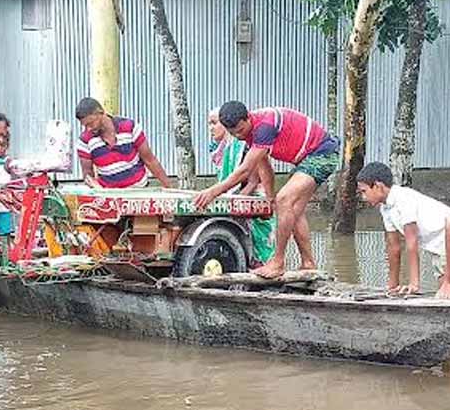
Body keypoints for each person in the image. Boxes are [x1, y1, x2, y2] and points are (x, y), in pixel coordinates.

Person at [194, 102, 340, 278]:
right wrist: (269, 199)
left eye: (240, 130)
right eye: (233, 133)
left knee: (284, 200)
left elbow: (246, 169)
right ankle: (308, 264)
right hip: (307, 159)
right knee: (294, 210)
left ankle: (277, 263)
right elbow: (265, 168)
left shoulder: (264, 126)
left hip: (322, 154)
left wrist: (213, 192)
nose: (239, 135)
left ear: (248, 117)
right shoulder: (250, 134)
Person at [356, 161, 450, 299]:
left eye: (364, 191)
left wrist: (414, 284)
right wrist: (392, 286)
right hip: (442, 253)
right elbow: (394, 247)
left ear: (378, 186)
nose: (363, 197)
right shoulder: (386, 208)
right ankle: (449, 287)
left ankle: (448, 283)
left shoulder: (403, 198)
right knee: (447, 300)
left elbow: (412, 241)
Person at [207, 107, 275, 264]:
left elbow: (252, 182)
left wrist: (230, 203)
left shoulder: (243, 145)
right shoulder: (220, 149)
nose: (211, 128)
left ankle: (260, 263)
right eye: (209, 123)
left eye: (214, 123)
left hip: (253, 196)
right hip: (235, 194)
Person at [75, 97, 171, 188]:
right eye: (85, 125)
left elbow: (150, 160)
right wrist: (96, 188)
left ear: (101, 113)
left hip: (139, 190)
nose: (89, 128)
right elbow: (88, 175)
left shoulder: (130, 127)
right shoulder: (84, 142)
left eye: (91, 123)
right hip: (110, 195)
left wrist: (169, 188)